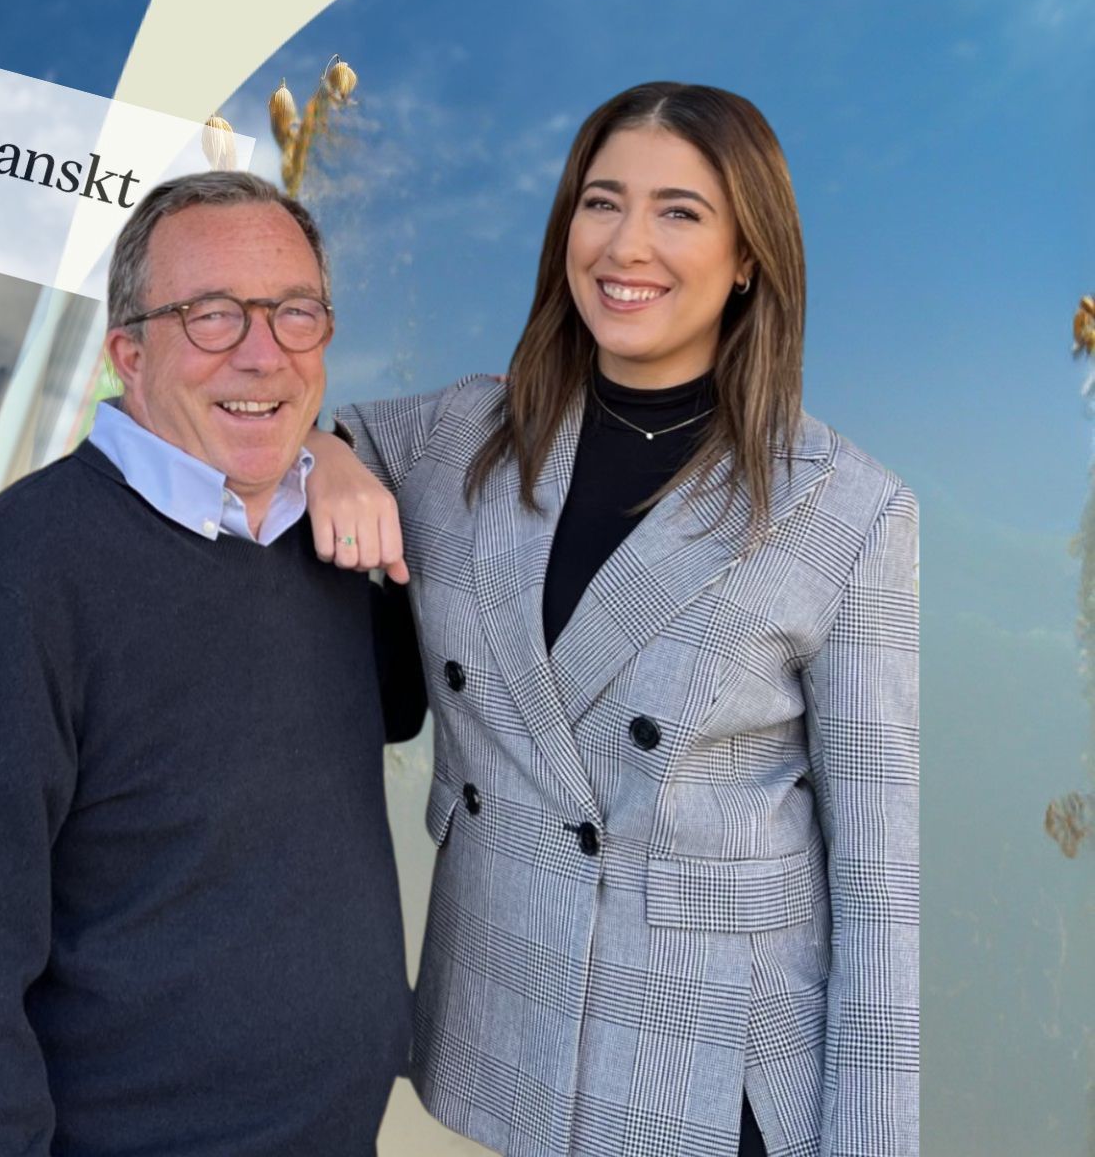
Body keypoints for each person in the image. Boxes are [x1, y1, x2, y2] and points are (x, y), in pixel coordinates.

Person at [307, 83, 919, 1157]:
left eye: (680, 211)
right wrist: (327, 458)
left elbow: (877, 890)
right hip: (490, 1031)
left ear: (746, 257)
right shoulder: (461, 434)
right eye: (602, 202)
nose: (627, 244)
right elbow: (275, 424)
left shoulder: (849, 509)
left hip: (706, 1074)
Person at [0, 170, 423, 1155]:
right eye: (211, 316)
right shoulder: (20, 580)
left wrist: (338, 458)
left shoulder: (329, 546)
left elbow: (399, 702)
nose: (262, 353)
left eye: (295, 313)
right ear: (127, 350)